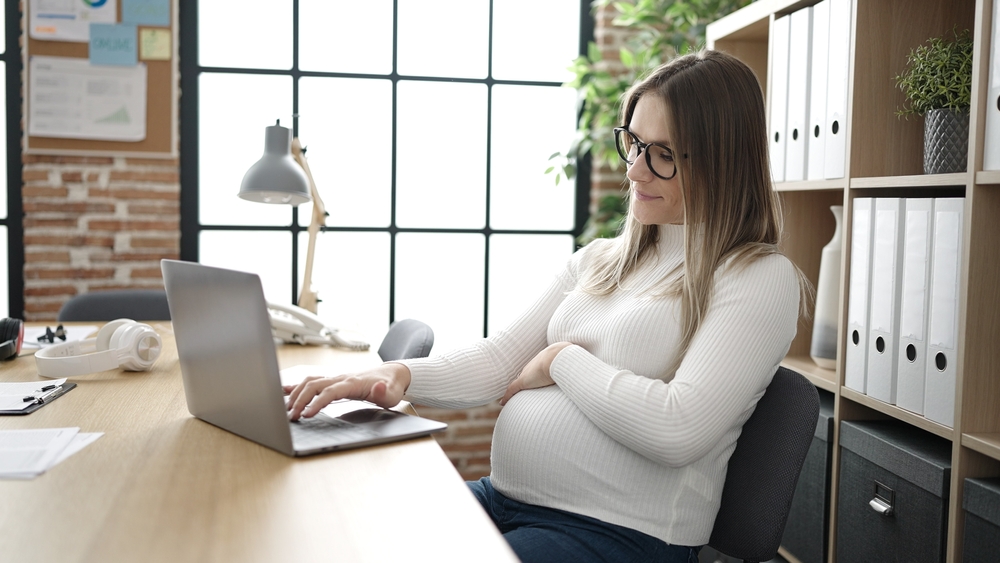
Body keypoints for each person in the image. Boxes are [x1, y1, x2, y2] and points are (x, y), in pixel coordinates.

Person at [286, 49, 809, 563]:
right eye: (634, 144)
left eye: (664, 154)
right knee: (344, 531)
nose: (635, 172)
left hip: (621, 536)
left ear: (724, 161)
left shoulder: (757, 278)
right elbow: (498, 361)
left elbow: (677, 430)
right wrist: (395, 374)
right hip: (505, 500)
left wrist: (560, 360)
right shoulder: (601, 260)